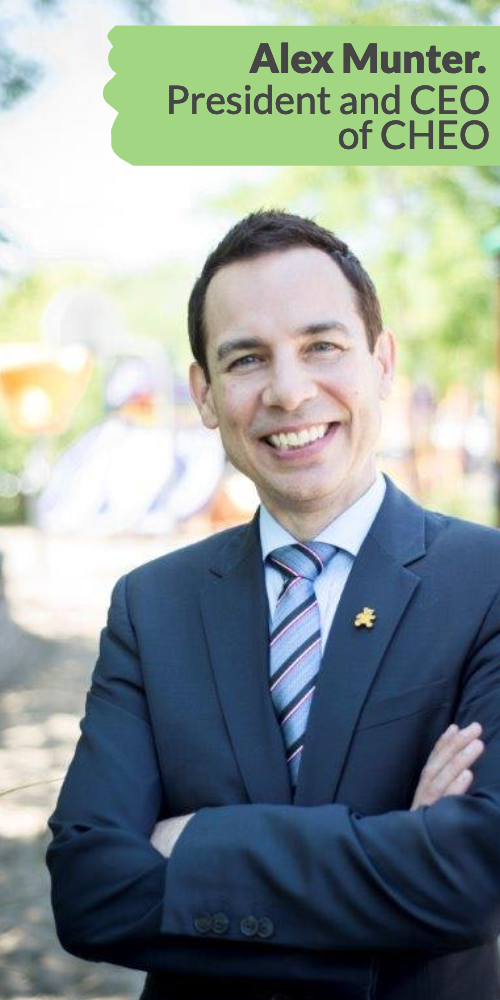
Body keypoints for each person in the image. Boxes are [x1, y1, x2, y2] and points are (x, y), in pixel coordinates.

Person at [46, 211, 500, 1000]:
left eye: (322, 346)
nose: (289, 392)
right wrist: (400, 853)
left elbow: (477, 876)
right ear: (206, 394)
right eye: (248, 358)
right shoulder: (151, 607)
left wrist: (198, 848)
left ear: (382, 362)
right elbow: (90, 893)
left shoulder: (488, 580)